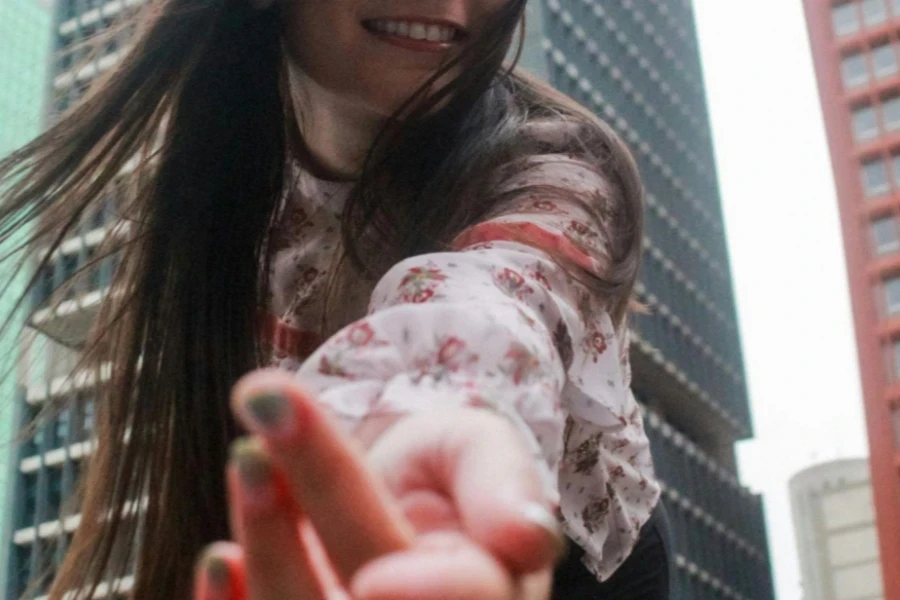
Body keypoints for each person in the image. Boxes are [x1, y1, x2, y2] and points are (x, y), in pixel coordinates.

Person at [0, 0, 671, 598]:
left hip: (569, 563)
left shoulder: (558, 166)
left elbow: (491, 303)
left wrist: (430, 415)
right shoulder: (210, 170)